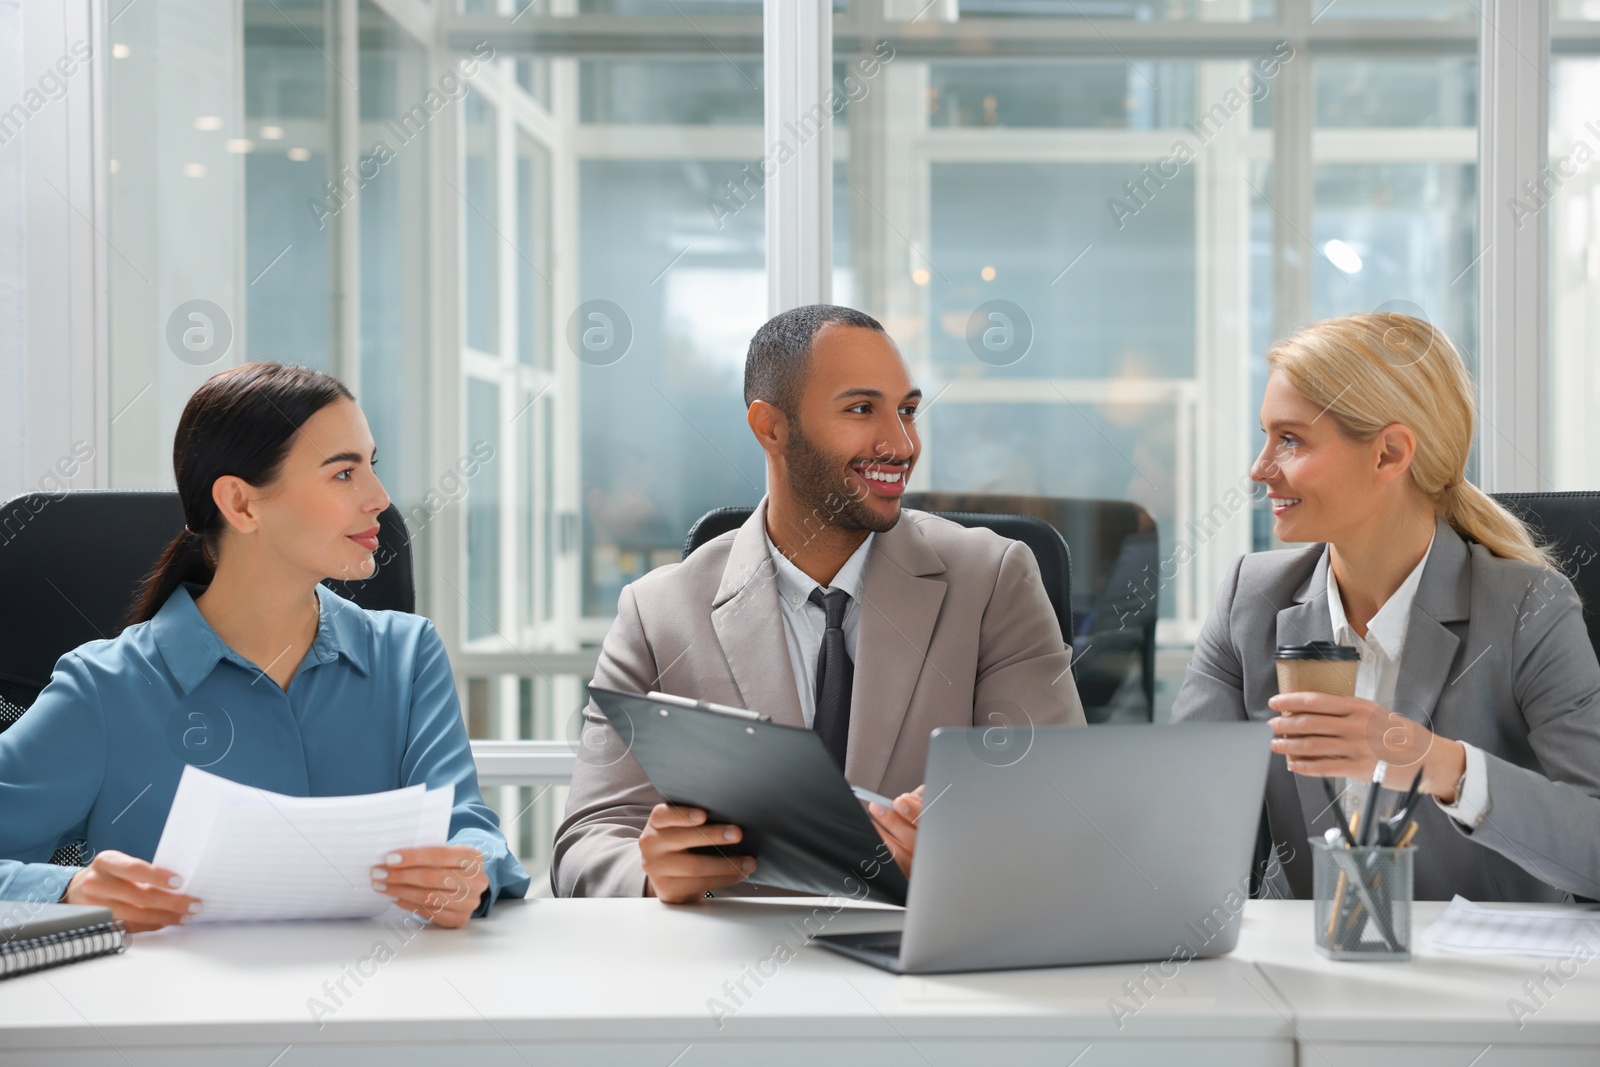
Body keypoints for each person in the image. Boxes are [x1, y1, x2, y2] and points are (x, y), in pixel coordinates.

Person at [553, 304, 1086, 903]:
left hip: (926, 971)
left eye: (907, 411)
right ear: (771, 428)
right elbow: (585, 844)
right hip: (734, 974)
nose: (902, 443)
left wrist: (955, 857)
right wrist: (651, 874)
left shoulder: (993, 582)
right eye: (862, 410)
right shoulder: (657, 613)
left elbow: (1062, 813)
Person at [0, 362, 530, 929]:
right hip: (168, 1010)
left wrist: (472, 871)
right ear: (241, 504)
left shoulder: (408, 655)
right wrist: (69, 888)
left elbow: (467, 826)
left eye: (371, 466)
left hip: (381, 1004)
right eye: (343, 474)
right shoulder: (105, 687)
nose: (379, 498)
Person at [1172, 312, 1600, 902]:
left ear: (1389, 454)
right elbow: (1180, 821)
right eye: (1266, 436)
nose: (1259, 468)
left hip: (1475, 979)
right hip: (1303, 972)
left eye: (1290, 440)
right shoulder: (1251, 597)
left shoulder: (1528, 608)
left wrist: (1441, 766)